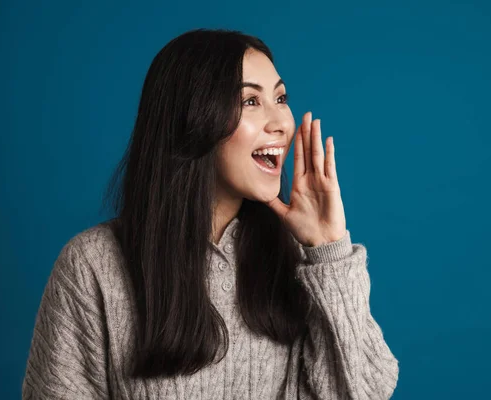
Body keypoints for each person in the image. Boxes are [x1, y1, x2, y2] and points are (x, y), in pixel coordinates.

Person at [22, 28, 399, 399]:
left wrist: (328, 249)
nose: (282, 122)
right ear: (193, 118)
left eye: (281, 98)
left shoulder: (298, 259)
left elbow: (365, 391)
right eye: (251, 101)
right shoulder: (92, 265)